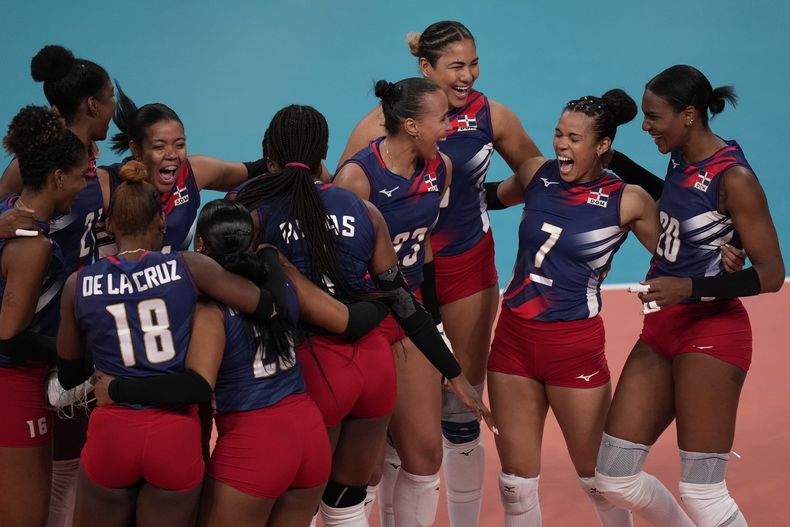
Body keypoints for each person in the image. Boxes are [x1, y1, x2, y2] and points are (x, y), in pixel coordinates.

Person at [57, 163, 382, 527]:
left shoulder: (79, 285)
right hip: (275, 432)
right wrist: (271, 258)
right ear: (162, 222)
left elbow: (69, 376)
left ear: (109, 224)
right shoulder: (190, 271)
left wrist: (111, 361)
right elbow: (271, 306)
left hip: (124, 435)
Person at [237, 104, 491, 527]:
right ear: (323, 157)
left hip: (309, 367)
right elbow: (402, 301)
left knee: (297, 499)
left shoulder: (255, 211)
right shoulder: (364, 211)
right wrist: (455, 373)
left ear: (271, 158)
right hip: (371, 366)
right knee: (348, 501)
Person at [337, 21, 540, 526]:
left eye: (474, 63)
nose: (468, 75)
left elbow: (535, 171)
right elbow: (344, 214)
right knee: (396, 422)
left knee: (462, 410)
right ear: (426, 68)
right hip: (397, 281)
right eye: (456, 66)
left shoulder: (492, 115)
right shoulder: (374, 129)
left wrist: (491, 198)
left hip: (466, 267)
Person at [594, 65, 785, 527]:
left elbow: (772, 275)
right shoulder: (681, 155)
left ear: (689, 115)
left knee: (702, 492)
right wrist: (617, 162)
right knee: (614, 478)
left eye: (654, 116)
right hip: (662, 328)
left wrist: (690, 288)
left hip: (712, 334)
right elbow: (678, 201)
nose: (645, 125)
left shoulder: (734, 178)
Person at [482, 90, 658, 526]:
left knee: (601, 482)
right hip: (512, 341)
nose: (561, 144)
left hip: (572, 348)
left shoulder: (628, 200)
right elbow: (488, 197)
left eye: (574, 138)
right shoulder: (536, 173)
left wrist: (726, 253)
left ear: (602, 146)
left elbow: (675, 258)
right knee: (514, 487)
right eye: (559, 133)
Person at [333, 76, 462, 527]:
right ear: (411, 125)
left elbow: (423, 246)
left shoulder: (441, 168)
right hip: (365, 319)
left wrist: (435, 320)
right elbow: (336, 267)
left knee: (425, 454)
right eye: (442, 119)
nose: (449, 126)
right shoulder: (357, 178)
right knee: (363, 468)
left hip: (410, 314)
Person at [0, 46, 117, 526]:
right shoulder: (38, 166)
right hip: (30, 351)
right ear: (91, 104)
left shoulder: (87, 162)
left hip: (61, 332)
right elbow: (12, 224)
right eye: (110, 98)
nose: (114, 106)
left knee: (67, 463)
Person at [0, 105, 88, 527]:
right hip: (14, 387)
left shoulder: (7, 210)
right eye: (80, 176)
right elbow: (9, 338)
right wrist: (78, 354)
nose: (84, 185)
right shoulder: (33, 246)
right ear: (57, 177)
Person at [94, 84, 265, 256]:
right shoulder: (106, 185)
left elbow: (256, 170)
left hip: (180, 274)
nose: (172, 155)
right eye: (159, 146)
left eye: (179, 145)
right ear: (136, 150)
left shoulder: (194, 173)